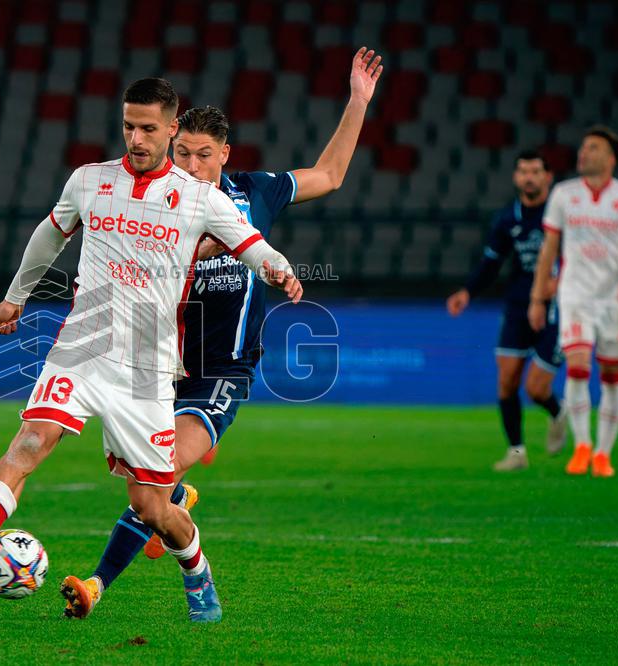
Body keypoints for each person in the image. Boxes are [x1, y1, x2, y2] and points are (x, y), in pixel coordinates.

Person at [0, 78, 303, 623]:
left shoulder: (201, 198)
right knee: (31, 440)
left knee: (151, 506)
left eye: (148, 128)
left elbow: (253, 246)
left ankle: (196, 570)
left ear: (171, 128)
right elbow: (50, 235)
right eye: (129, 126)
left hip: (147, 368)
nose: (136, 138)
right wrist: (15, 298)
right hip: (83, 344)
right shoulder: (90, 180)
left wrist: (281, 270)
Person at [61, 47, 382, 620]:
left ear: (225, 155)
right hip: (152, 366)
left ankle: (100, 584)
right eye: (182, 152)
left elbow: (329, 175)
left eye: (204, 155)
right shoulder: (154, 202)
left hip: (219, 373)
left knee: (155, 485)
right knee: (151, 499)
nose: (191, 165)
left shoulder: (252, 194)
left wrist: (357, 101)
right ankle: (183, 530)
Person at [529, 126, 618, 477]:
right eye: (583, 147)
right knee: (578, 365)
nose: (583, 153)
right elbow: (548, 250)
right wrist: (538, 297)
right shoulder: (564, 194)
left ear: (611, 158)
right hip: (575, 295)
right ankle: (582, 446)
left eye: (593, 148)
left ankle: (603, 453)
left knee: (612, 375)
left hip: (614, 299)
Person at [446, 150, 566, 471]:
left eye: (535, 171)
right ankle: (516, 452)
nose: (529, 177)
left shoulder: (561, 216)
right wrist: (467, 292)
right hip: (517, 307)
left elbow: (578, 259)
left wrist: (559, 284)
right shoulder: (507, 219)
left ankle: (558, 411)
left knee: (536, 389)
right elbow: (491, 263)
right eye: (523, 171)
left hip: (557, 309)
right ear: (515, 177)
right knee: (507, 380)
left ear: (548, 177)